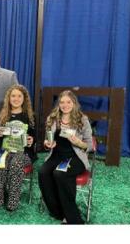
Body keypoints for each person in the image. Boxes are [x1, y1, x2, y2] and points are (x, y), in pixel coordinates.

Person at [38, 90, 93, 224]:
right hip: (56, 155)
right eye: (62, 102)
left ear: (74, 103)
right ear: (58, 104)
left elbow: (90, 145)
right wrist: (47, 144)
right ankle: (58, 211)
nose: (65, 105)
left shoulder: (82, 119)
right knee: (43, 172)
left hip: (75, 157)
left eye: (68, 102)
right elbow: (47, 140)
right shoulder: (52, 118)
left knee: (60, 174)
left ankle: (72, 218)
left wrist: (79, 142)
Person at [0, 85, 36, 211]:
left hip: (24, 152)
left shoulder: (30, 116)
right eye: (13, 96)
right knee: (1, 161)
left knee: (15, 163)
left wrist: (31, 140)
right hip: (5, 150)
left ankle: (13, 200)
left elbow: (34, 137)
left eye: (19, 96)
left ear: (24, 99)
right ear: (9, 98)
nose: (16, 99)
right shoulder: (3, 115)